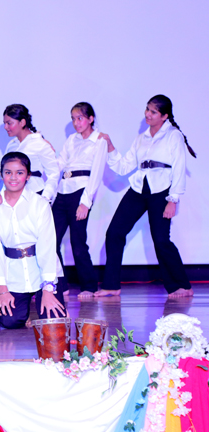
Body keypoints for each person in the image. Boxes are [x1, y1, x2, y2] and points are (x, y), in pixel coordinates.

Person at [96, 95, 196, 299]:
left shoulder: (173, 135)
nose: (147, 114)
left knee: (161, 240)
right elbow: (124, 167)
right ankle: (111, 285)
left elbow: (178, 167)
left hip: (162, 190)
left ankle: (182, 286)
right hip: (139, 188)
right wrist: (110, 146)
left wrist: (173, 199)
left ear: (164, 116)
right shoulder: (141, 138)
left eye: (153, 112)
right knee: (114, 233)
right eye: (147, 109)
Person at [0, 152, 66, 329]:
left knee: (54, 322)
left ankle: (42, 301)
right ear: (1, 175)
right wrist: (2, 291)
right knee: (10, 321)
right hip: (14, 273)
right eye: (8, 172)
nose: (13, 177)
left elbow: (47, 247)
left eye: (20, 172)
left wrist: (48, 289)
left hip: (42, 271)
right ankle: (25, 311)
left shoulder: (40, 204)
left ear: (28, 176)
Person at [53, 102, 108, 299]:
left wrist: (86, 202)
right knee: (51, 239)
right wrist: (46, 155)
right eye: (73, 119)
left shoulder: (99, 141)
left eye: (80, 118)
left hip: (80, 192)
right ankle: (60, 284)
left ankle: (89, 286)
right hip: (63, 190)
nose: (76, 123)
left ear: (90, 119)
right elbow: (59, 164)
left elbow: (97, 173)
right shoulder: (71, 139)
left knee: (77, 242)